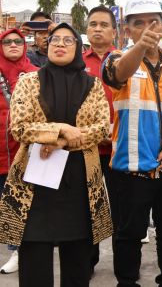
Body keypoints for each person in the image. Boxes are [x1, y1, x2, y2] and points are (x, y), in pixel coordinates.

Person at [0, 23, 112, 286]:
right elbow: (19, 127)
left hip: (79, 181)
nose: (60, 44)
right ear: (46, 45)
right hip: (35, 184)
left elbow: (100, 128)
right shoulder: (28, 82)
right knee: (34, 260)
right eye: (55, 40)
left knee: (77, 261)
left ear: (77, 48)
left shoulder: (93, 84)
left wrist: (62, 143)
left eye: (68, 40)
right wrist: (59, 128)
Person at [102, 0, 162, 287]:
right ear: (126, 29)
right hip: (131, 167)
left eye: (153, 21)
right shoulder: (117, 58)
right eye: (138, 23)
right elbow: (118, 73)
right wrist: (141, 47)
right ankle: (127, 282)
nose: (146, 28)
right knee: (129, 234)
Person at [82, 5, 119, 274]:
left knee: (123, 208)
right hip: (87, 148)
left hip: (119, 148)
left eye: (103, 24)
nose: (97, 28)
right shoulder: (77, 62)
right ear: (86, 30)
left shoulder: (126, 60)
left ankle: (125, 263)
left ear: (114, 31)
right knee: (88, 209)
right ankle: (87, 261)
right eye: (93, 24)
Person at [0, 28, 37, 275]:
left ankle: (17, 251)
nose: (13, 45)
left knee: (18, 204)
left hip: (23, 151)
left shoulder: (35, 73)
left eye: (18, 41)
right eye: (7, 41)